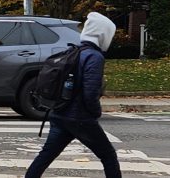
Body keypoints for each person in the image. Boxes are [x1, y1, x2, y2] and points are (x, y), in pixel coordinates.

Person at [25, 12, 120, 178]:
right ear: (103, 34)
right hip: (80, 118)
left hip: (60, 114)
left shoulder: (73, 51)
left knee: (46, 155)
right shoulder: (94, 57)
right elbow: (90, 93)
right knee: (108, 155)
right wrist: (95, 113)